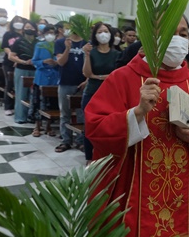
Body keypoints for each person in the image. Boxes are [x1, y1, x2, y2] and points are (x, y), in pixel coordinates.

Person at [85, 16, 189, 237]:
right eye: (172, 32)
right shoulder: (122, 78)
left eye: (183, 32)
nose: (180, 39)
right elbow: (95, 127)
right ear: (148, 38)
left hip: (180, 203)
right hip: (133, 201)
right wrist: (135, 113)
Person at [81, 22, 121, 161]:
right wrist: (86, 55)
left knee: (109, 127)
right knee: (89, 127)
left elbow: (117, 74)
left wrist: (98, 76)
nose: (103, 34)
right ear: (95, 35)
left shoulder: (117, 53)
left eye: (106, 31)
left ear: (110, 34)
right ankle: (89, 158)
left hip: (110, 95)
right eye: (100, 32)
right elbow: (87, 73)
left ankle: (105, 157)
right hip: (92, 92)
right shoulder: (91, 51)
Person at [54, 24, 86, 152]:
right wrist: (68, 49)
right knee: (65, 113)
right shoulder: (61, 42)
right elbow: (60, 62)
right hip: (65, 82)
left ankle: (80, 141)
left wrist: (87, 80)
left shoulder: (87, 43)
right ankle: (66, 140)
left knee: (81, 114)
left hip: (82, 83)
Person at [30, 25, 59, 136]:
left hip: (54, 77)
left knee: (52, 103)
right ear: (44, 34)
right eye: (48, 33)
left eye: (52, 33)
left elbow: (61, 61)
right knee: (38, 102)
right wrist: (43, 62)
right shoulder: (40, 45)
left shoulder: (58, 45)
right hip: (41, 76)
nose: (50, 35)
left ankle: (48, 127)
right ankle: (37, 127)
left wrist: (55, 63)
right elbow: (34, 61)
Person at [9, 20, 38, 124]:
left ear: (35, 29)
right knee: (21, 93)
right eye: (27, 27)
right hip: (22, 69)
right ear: (23, 29)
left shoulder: (39, 42)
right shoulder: (18, 41)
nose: (29, 29)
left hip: (36, 70)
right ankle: (20, 117)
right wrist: (23, 62)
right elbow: (11, 56)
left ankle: (32, 117)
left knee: (34, 95)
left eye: (31, 27)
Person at [1, 15, 24, 116]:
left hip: (21, 63)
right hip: (8, 63)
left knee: (20, 85)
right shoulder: (8, 34)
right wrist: (12, 56)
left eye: (20, 21)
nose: (18, 23)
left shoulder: (24, 34)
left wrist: (18, 60)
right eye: (16, 21)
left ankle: (18, 106)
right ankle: (8, 106)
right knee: (9, 83)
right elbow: (5, 47)